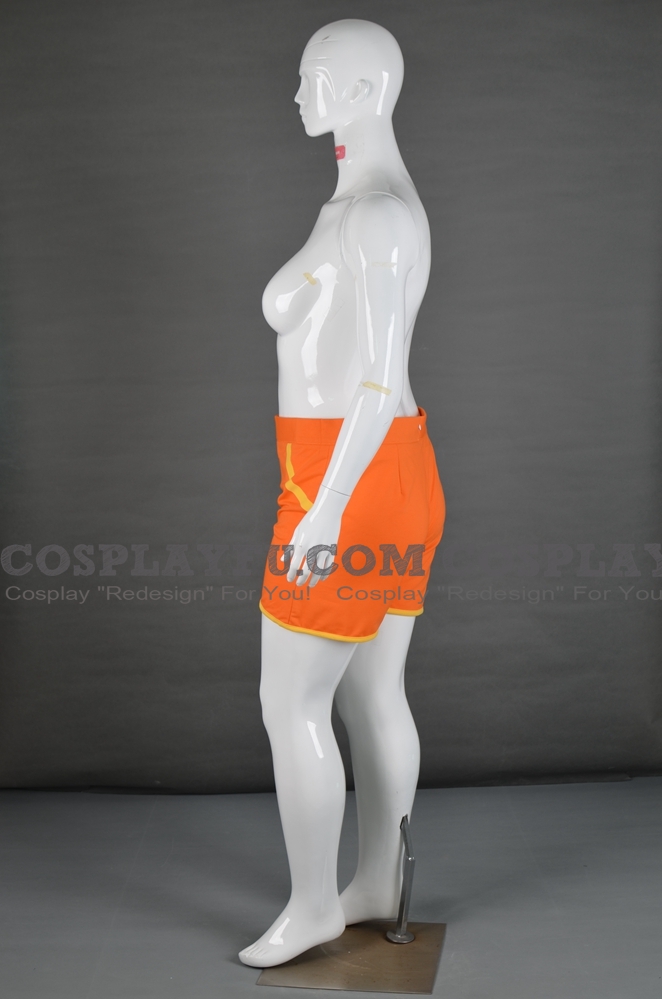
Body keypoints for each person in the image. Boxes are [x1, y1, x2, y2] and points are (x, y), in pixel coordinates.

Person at [239, 19, 445, 968]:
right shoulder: (371, 204)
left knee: (290, 702)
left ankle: (316, 905)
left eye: (312, 76)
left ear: (364, 90)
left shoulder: (376, 217)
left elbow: (375, 377)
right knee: (371, 692)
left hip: (343, 477)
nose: (296, 94)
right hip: (391, 468)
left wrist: (322, 512)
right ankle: (375, 886)